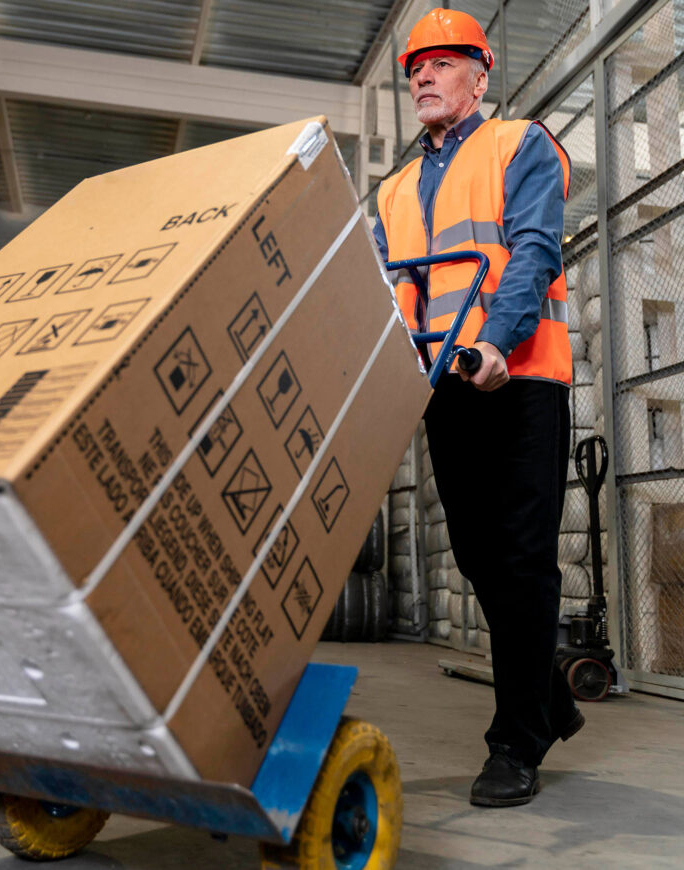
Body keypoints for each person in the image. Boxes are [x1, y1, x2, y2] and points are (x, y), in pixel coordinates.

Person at [373, 7, 584, 807]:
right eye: (415, 68)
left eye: (441, 63)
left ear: (479, 73)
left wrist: (497, 340)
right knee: (476, 554)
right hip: (446, 385)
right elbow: (394, 290)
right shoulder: (394, 190)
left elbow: (534, 249)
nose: (423, 77)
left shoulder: (520, 145)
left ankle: (517, 741)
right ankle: (550, 697)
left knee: (523, 556)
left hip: (519, 376)